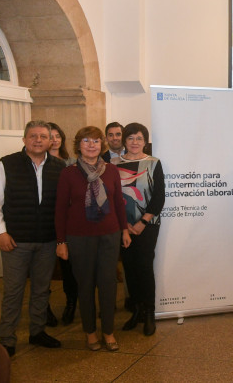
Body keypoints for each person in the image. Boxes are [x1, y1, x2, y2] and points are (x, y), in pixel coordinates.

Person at [55, 126, 131, 351]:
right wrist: (61, 242)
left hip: (109, 234)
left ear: (102, 145)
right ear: (79, 145)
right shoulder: (68, 173)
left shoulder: (111, 171)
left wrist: (124, 230)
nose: (91, 145)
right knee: (85, 286)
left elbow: (118, 203)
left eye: (96, 141)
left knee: (108, 285)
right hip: (79, 237)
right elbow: (60, 210)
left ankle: (108, 331)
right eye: (86, 141)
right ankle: (90, 332)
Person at [0, 121, 66, 357]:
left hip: (46, 240)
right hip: (15, 240)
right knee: (13, 292)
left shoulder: (59, 166)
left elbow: (62, 205)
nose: (38, 140)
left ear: (50, 141)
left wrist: (60, 239)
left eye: (43, 136)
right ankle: (7, 339)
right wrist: (0, 232)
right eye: (33, 136)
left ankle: (37, 331)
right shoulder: (8, 163)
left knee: (41, 290)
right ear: (24, 139)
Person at [113, 123, 165, 336]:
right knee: (129, 269)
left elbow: (159, 196)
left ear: (145, 141)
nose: (135, 142)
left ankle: (149, 313)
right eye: (131, 138)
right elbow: (110, 196)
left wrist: (142, 222)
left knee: (144, 267)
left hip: (147, 225)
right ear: (124, 141)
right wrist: (124, 225)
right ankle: (136, 310)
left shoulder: (153, 163)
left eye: (139, 138)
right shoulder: (113, 164)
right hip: (121, 226)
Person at [47, 122, 78, 325]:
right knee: (45, 270)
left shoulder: (72, 162)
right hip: (45, 221)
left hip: (69, 222)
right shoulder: (38, 162)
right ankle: (44, 308)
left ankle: (71, 304)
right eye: (50, 136)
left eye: (58, 135)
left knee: (69, 268)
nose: (55, 139)